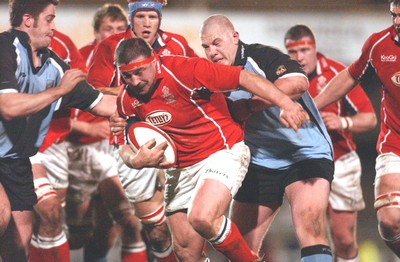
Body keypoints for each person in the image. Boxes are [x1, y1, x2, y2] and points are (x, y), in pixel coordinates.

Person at [113, 37, 309, 261]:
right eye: (127, 75)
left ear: (154, 61)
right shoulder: (125, 100)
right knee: (186, 253)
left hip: (221, 152)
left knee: (203, 217)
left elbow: (243, 78)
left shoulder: (186, 70)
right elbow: (121, 144)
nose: (135, 81)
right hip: (180, 169)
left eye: (139, 71)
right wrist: (135, 161)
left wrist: (286, 104)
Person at [199, 15, 334, 261]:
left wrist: (251, 106)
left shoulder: (261, 57)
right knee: (240, 250)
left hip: (304, 151)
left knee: (310, 224)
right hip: (259, 160)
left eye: (217, 43)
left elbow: (297, 83)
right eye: (206, 47)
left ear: (235, 37)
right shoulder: (209, 77)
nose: (212, 52)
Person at [0, 0, 117, 261]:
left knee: (18, 249)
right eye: (50, 19)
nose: (54, 27)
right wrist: (59, 91)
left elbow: (101, 103)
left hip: (18, 159)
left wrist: (144, 110)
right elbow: (7, 106)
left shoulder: (53, 64)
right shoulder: (5, 48)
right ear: (28, 20)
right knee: (1, 214)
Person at [88, 0, 197, 260]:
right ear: (131, 17)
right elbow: (91, 90)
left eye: (152, 16)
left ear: (160, 17)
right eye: (140, 17)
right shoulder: (110, 46)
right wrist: (134, 95)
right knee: (155, 228)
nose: (146, 24)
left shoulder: (178, 44)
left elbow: (195, 85)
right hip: (132, 141)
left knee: (188, 224)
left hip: (177, 139)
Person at [313, 0, 400, 258]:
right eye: (394, 15)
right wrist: (314, 105)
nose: (398, 22)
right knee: (389, 218)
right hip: (394, 143)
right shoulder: (379, 44)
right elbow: (351, 75)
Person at [284, 24, 377, 262]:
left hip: (341, 160)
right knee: (314, 234)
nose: (299, 57)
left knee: (344, 239)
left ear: (315, 49)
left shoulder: (338, 74)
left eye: (305, 50)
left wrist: (342, 122)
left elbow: (370, 119)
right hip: (304, 164)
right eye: (293, 52)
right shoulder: (281, 78)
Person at [28, 29, 88, 262]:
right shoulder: (8, 49)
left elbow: (83, 87)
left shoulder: (63, 44)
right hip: (22, 145)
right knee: (45, 213)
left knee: (51, 220)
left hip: (55, 143)